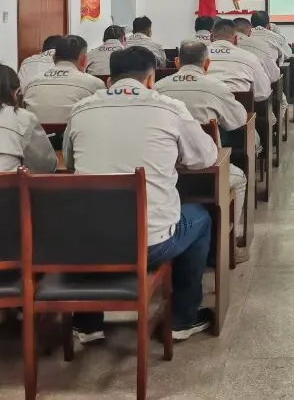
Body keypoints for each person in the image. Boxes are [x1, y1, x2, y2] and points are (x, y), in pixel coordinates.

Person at [65, 47, 217, 343]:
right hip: (152, 245)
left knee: (91, 218)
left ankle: (87, 323)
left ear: (109, 80)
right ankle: (183, 318)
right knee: (200, 217)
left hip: (87, 244)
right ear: (150, 79)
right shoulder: (169, 108)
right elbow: (205, 158)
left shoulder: (81, 109)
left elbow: (71, 163)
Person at [155, 41, 250, 260]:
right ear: (207, 64)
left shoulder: (158, 88)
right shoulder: (216, 87)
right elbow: (238, 120)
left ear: (177, 62)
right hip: (206, 175)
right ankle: (229, 246)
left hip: (165, 173)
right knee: (239, 178)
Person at [22, 35, 106, 125]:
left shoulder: (32, 83)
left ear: (53, 58)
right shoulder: (95, 84)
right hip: (76, 133)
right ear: (84, 59)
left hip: (36, 133)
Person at [206, 19, 272, 101]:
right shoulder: (250, 57)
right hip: (239, 106)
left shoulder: (197, 56)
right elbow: (263, 93)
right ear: (236, 39)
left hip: (202, 104)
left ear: (211, 38)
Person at [233, 18, 281, 83]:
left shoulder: (222, 45)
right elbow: (274, 76)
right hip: (253, 86)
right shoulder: (261, 45)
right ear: (250, 32)